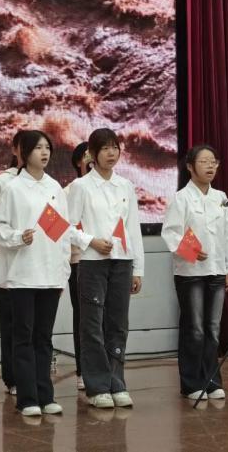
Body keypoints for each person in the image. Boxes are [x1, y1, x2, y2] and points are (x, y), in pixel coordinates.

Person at [0, 130, 70, 416]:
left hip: (49, 274)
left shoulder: (55, 187)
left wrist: (63, 272)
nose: (44, 153)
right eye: (38, 148)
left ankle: (45, 395)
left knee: (43, 338)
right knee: (23, 337)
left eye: (47, 147)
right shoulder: (13, 188)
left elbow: (62, 232)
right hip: (22, 273)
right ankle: (27, 398)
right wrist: (17, 237)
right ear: (24, 153)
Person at [68, 128, 144, 409]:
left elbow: (133, 228)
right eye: (105, 148)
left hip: (122, 262)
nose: (112, 153)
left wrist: (138, 269)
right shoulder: (81, 187)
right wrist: (91, 241)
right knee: (92, 325)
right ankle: (97, 386)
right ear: (92, 154)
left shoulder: (126, 186)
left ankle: (117, 382)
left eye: (115, 148)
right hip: (92, 262)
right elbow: (66, 227)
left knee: (118, 324)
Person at [161, 144, 228, 400]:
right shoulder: (181, 198)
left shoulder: (221, 198)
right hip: (190, 272)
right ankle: (192, 383)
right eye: (204, 161)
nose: (210, 166)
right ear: (190, 167)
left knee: (213, 328)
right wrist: (191, 250)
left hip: (216, 271)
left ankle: (212, 381)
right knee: (194, 328)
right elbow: (170, 232)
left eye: (213, 161)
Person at [0, 130, 26, 396]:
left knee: (34, 327)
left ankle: (34, 376)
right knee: (11, 324)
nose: (40, 153)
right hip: (11, 266)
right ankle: (13, 378)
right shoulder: (4, 181)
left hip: (38, 269)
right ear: (16, 150)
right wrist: (11, 241)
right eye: (31, 147)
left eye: (44, 148)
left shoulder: (49, 185)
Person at [65, 142, 92, 390]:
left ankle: (105, 368)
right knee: (82, 317)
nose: (91, 158)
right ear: (77, 162)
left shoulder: (112, 188)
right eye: (86, 155)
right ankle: (83, 370)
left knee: (105, 318)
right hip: (79, 262)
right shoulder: (68, 190)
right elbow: (59, 228)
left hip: (106, 261)